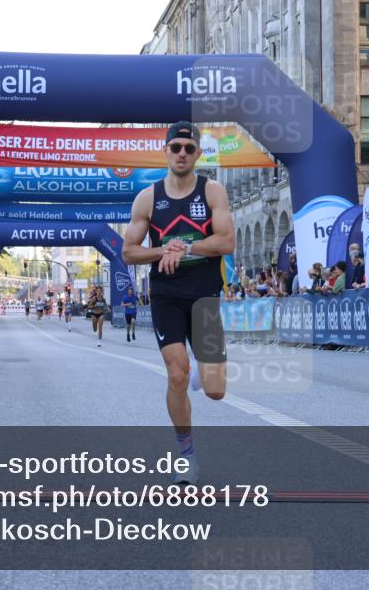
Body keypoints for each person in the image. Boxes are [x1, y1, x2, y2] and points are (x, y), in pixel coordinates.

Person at [122, 121, 234, 484]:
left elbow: (226, 242)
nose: (182, 153)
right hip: (167, 295)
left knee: (216, 390)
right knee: (176, 374)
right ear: (166, 151)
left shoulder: (212, 191)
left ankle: (207, 368)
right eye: (176, 148)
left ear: (199, 153)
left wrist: (186, 247)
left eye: (189, 147)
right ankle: (185, 453)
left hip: (204, 295)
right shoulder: (149, 198)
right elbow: (129, 251)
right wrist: (162, 251)